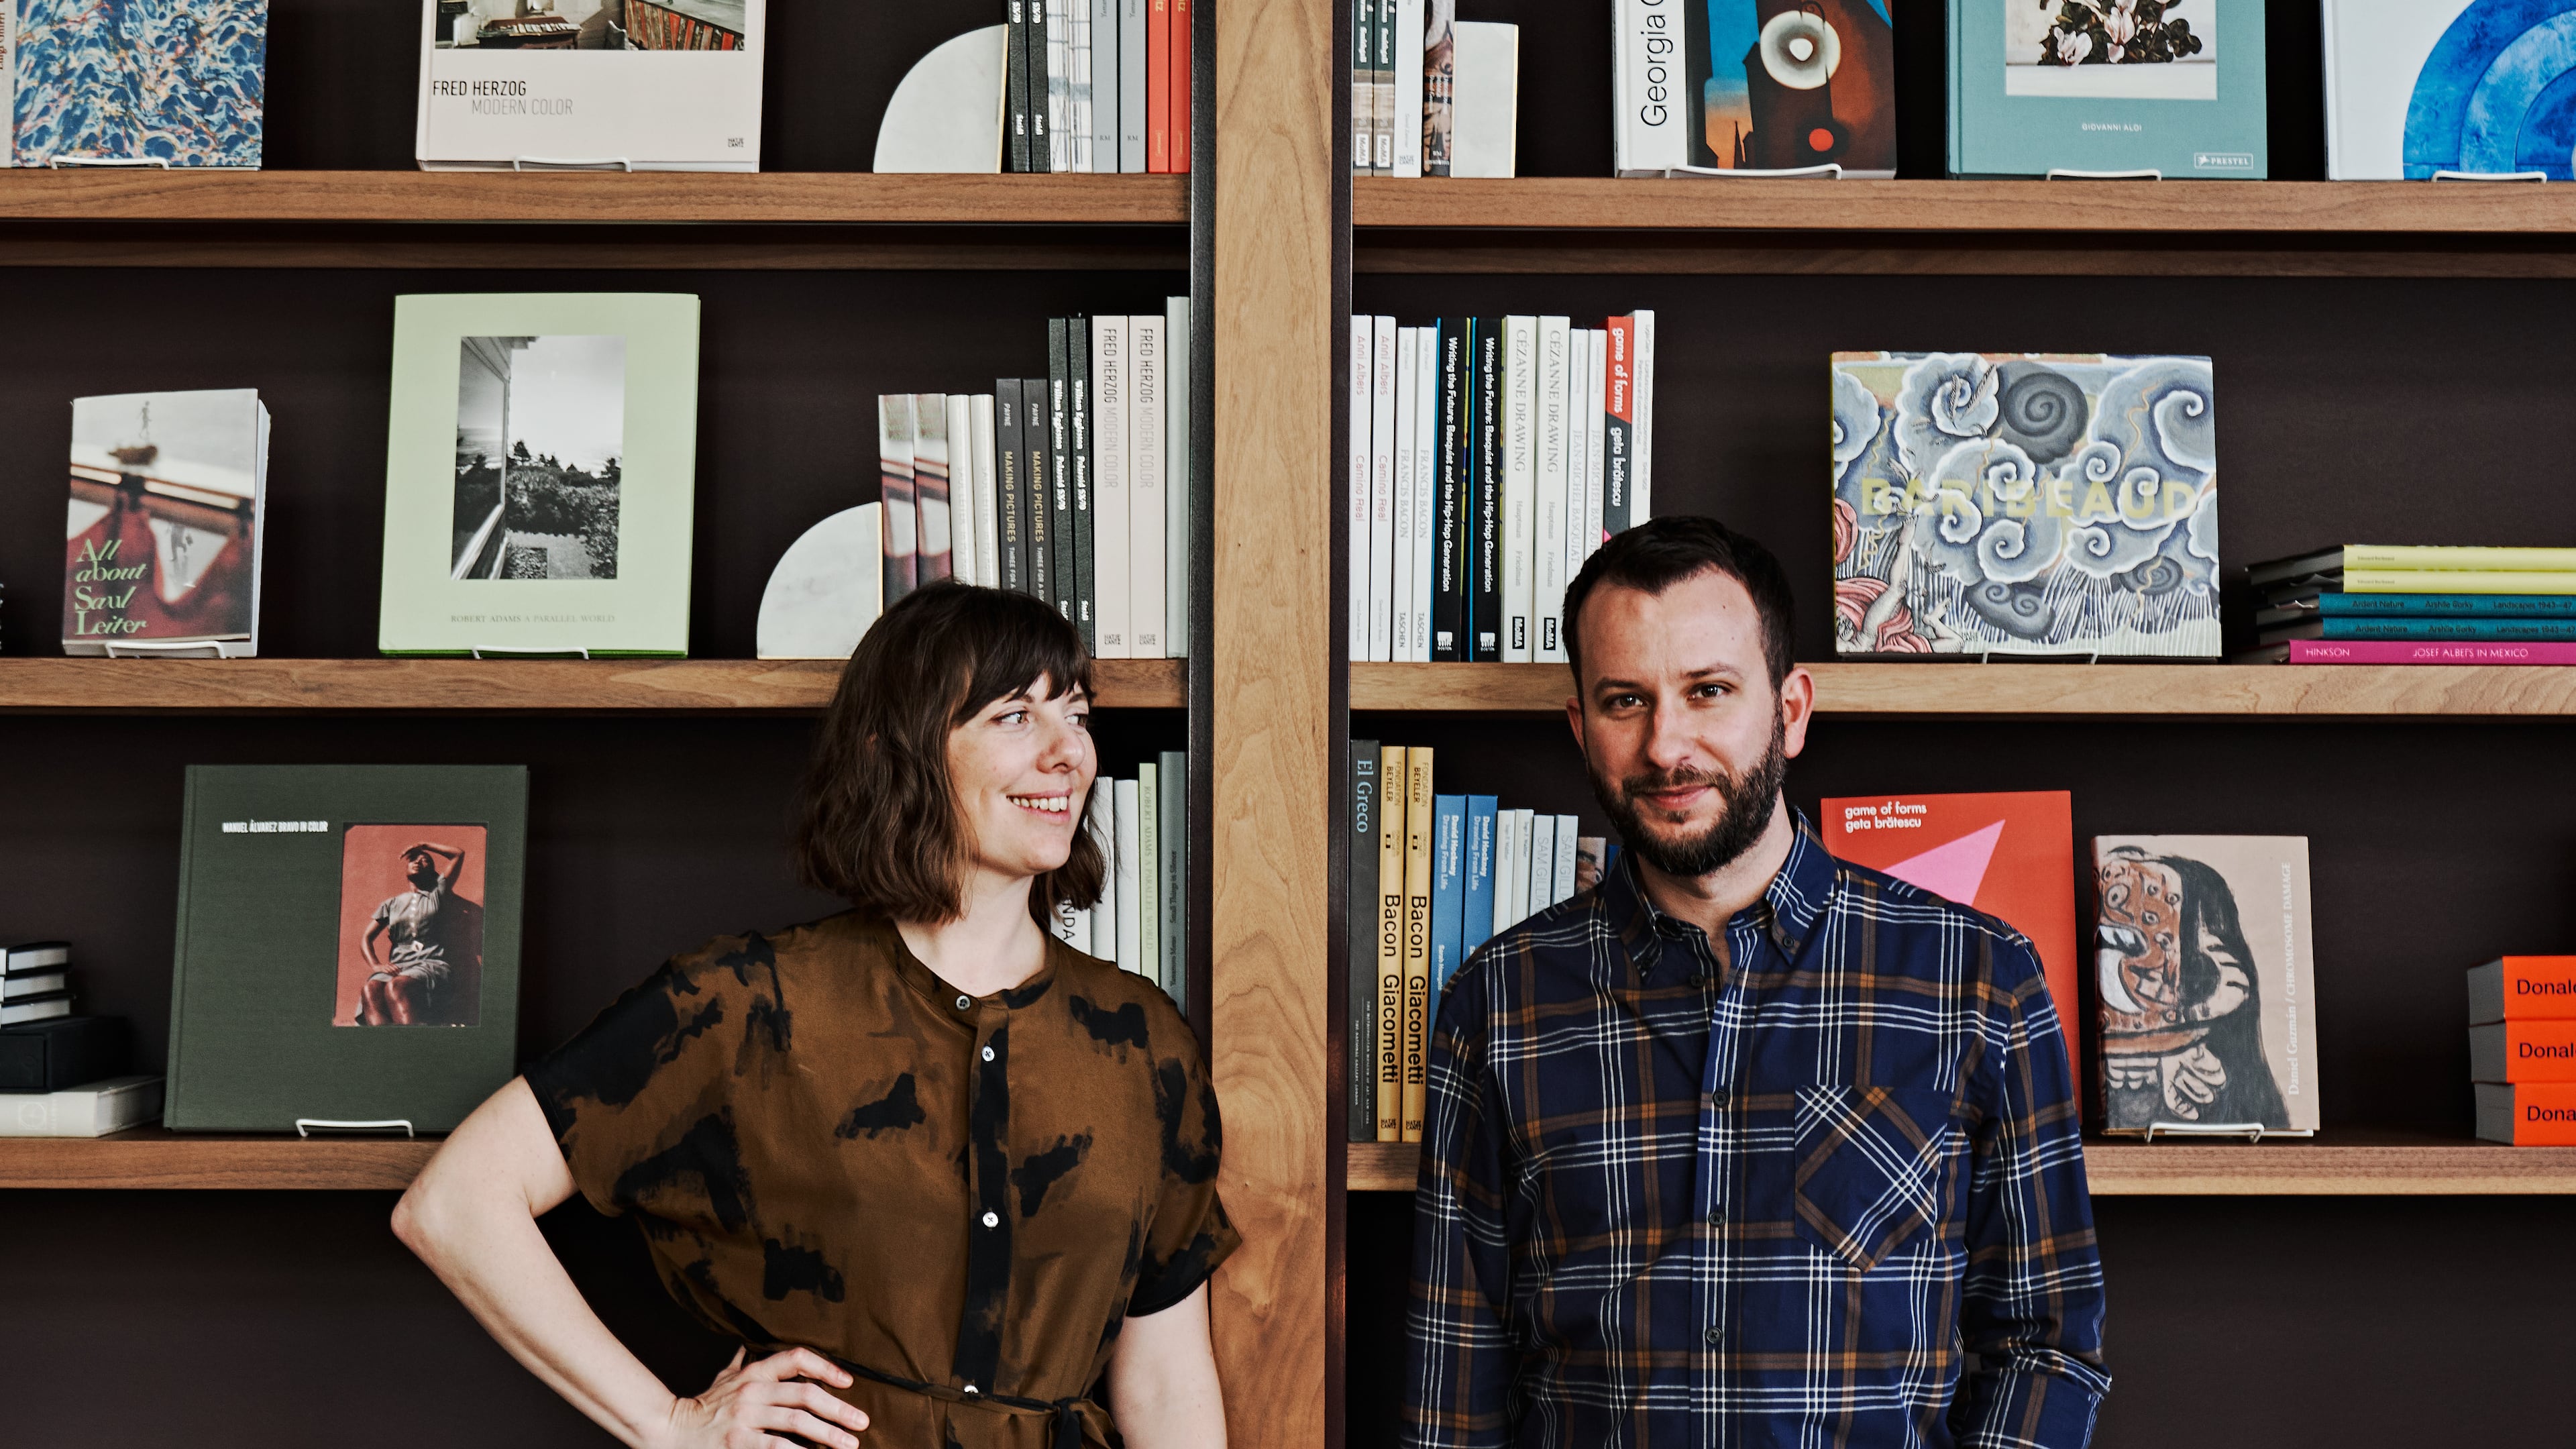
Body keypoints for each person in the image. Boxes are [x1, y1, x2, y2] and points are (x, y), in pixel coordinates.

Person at [394, 583, 1235, 1449]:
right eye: (1014, 717)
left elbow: (1168, 1381)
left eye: (1078, 714)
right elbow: (457, 1203)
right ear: (898, 752)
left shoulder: (1144, 1041)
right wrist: (668, 1425)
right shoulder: (745, 1004)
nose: (1069, 754)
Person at [1403, 517, 2109, 1448]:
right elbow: (1455, 1380)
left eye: (1709, 691)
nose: (1666, 745)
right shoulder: (1497, 1003)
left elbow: (2048, 1345)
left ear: (1792, 709)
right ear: (1580, 727)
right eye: (1625, 702)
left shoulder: (1978, 979)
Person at [360, 841, 472, 1026]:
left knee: (396, 986)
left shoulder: (437, 893)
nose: (419, 861)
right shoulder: (391, 904)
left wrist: (424, 846)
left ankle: (411, 1046)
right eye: (413, 859)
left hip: (431, 963)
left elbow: (458, 854)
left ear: (433, 873)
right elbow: (366, 938)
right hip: (399, 966)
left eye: (425, 860)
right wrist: (376, 966)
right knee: (370, 989)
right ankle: (382, 1047)